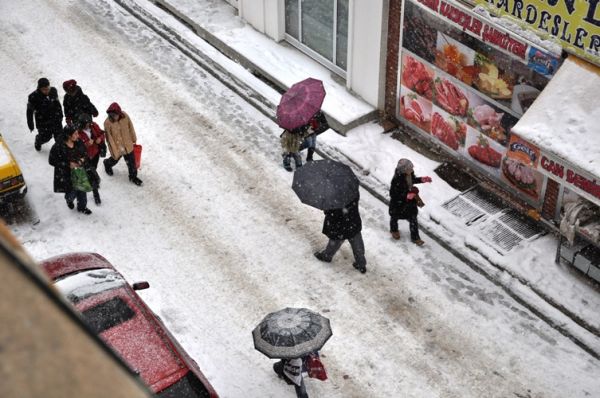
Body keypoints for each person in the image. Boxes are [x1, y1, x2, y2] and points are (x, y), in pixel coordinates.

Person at [314, 196, 367, 273]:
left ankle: (327, 256)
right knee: (356, 241)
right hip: (353, 221)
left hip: (339, 224)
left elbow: (330, 211)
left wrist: (326, 209)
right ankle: (361, 263)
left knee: (335, 241)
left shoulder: (333, 193)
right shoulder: (352, 188)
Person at [48, 126, 92, 215]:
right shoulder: (58, 146)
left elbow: (85, 153)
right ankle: (69, 200)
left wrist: (82, 159)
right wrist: (68, 164)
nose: (78, 135)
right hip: (66, 174)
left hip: (79, 171)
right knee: (72, 192)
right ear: (69, 136)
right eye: (75, 134)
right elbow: (51, 161)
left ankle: (82, 207)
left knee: (82, 189)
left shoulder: (78, 142)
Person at [389, 158, 432, 245]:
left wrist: (422, 180)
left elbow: (412, 180)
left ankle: (415, 238)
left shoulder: (409, 174)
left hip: (409, 202)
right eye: (410, 168)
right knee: (395, 217)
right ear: (404, 170)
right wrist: (406, 196)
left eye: (412, 167)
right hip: (398, 204)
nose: (412, 170)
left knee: (413, 219)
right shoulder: (396, 180)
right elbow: (393, 194)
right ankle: (394, 230)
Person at [103, 102, 143, 186]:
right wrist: (114, 150)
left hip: (128, 145)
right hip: (118, 147)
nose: (114, 117)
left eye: (115, 115)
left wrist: (133, 138)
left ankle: (133, 177)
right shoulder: (107, 123)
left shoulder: (125, 116)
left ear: (119, 113)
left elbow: (130, 127)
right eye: (112, 115)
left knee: (132, 162)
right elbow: (109, 139)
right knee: (114, 160)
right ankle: (107, 163)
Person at [76, 113, 106, 205]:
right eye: (87, 123)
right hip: (86, 157)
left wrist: (99, 139)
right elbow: (76, 148)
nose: (89, 124)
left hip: (95, 154)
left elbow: (102, 133)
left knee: (93, 169)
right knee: (91, 174)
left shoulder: (93, 126)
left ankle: (93, 180)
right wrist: (86, 145)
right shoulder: (77, 132)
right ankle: (96, 194)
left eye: (89, 122)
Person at [26, 78, 63, 151]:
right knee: (46, 138)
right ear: (39, 89)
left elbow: (57, 104)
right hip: (43, 122)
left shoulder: (53, 91)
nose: (47, 91)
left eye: (48, 88)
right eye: (44, 89)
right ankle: (38, 140)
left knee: (60, 138)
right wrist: (30, 124)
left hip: (56, 120)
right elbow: (29, 112)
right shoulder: (33, 97)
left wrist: (60, 115)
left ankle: (60, 152)